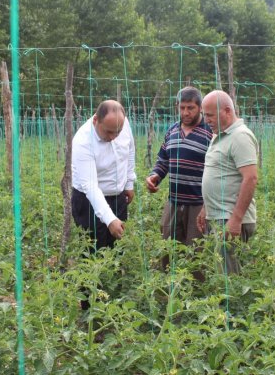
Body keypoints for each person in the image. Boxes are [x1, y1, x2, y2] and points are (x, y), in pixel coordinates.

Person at [145, 87, 213, 268]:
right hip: (174, 201)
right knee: (166, 247)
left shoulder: (210, 133)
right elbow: (163, 160)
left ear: (200, 108)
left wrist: (208, 205)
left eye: (190, 107)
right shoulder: (172, 131)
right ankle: (164, 291)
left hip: (198, 204)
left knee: (197, 252)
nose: (186, 112)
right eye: (182, 107)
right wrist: (154, 177)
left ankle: (196, 293)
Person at [196, 90, 259, 274]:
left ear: (227, 111)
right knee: (222, 274)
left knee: (230, 279)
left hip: (230, 219)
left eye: (209, 115)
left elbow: (251, 178)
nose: (206, 120)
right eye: (204, 115)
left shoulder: (240, 136)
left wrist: (236, 219)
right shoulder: (219, 135)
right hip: (218, 217)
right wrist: (206, 207)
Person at [72, 99, 136, 252]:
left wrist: (128, 183)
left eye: (118, 132)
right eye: (109, 132)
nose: (114, 136)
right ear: (96, 120)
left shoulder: (122, 123)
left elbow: (130, 150)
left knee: (117, 250)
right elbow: (90, 187)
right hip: (89, 202)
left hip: (118, 197)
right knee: (94, 252)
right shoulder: (82, 141)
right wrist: (110, 219)